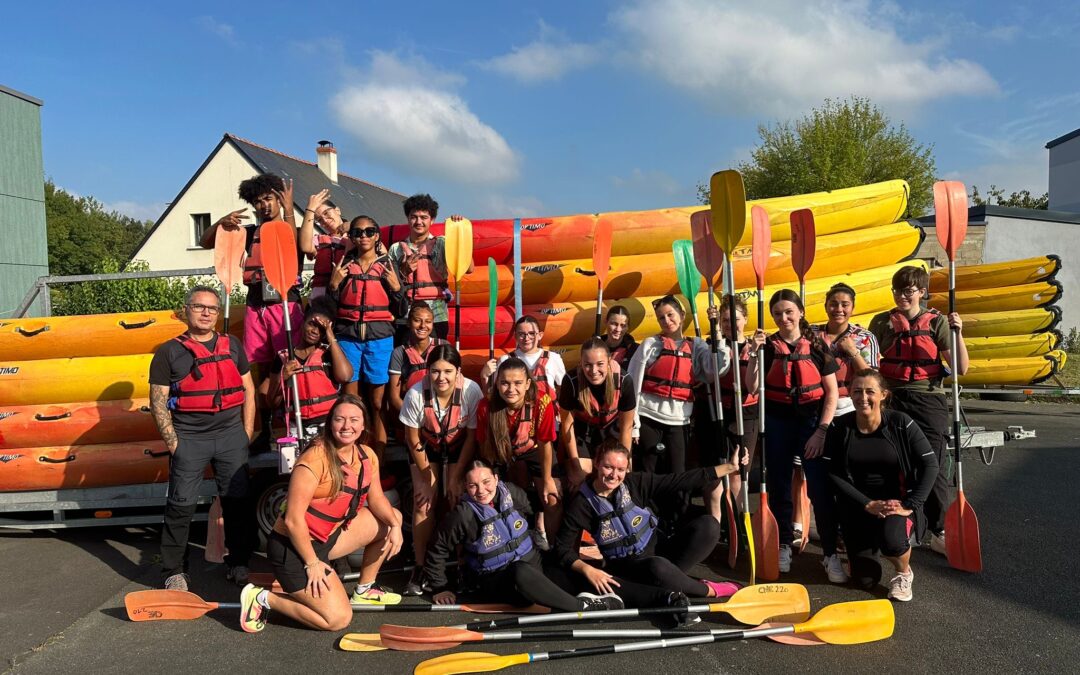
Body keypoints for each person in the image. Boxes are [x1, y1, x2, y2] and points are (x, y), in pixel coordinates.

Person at [239, 395, 404, 633]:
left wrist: (395, 526)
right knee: (337, 619)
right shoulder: (314, 459)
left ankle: (365, 589)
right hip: (294, 550)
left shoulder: (367, 455)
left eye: (354, 420)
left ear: (363, 425)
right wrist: (312, 563)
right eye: (340, 420)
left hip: (327, 539)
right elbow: (293, 519)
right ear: (330, 423)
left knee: (393, 518)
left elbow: (376, 499)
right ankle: (261, 598)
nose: (347, 426)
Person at [148, 286, 257, 591]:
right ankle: (174, 571)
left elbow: (248, 389)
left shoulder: (232, 345)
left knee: (237, 501)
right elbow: (158, 401)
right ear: (187, 311)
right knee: (180, 504)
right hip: (189, 437)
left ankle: (239, 563)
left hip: (230, 435)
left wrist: (247, 431)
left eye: (211, 307)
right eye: (199, 307)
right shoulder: (169, 352)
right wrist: (174, 443)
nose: (207, 312)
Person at [553, 440, 742, 609]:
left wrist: (729, 467)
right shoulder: (581, 503)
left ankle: (674, 581)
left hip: (660, 553)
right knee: (657, 567)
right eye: (608, 467)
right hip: (630, 569)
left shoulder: (635, 483)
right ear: (596, 463)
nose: (614, 475)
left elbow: (679, 481)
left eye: (620, 470)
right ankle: (708, 590)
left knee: (709, 526)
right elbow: (562, 548)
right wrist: (588, 569)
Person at [424, 460, 623, 612]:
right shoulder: (462, 514)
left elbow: (529, 512)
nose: (481, 490)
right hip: (498, 580)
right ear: (466, 487)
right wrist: (439, 587)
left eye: (485, 482)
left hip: (532, 564)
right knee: (520, 571)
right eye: (473, 485)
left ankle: (642, 595)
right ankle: (582, 608)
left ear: (495, 478)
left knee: (565, 568)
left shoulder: (511, 493)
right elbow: (437, 547)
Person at [746, 289, 845, 582]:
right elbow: (752, 388)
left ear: (800, 312)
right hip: (778, 421)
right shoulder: (766, 347)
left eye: (789, 312)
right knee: (778, 486)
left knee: (819, 489)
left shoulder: (816, 346)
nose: (784, 318)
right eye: (777, 314)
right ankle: (783, 544)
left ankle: (829, 553)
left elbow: (831, 394)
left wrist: (822, 431)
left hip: (812, 422)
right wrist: (753, 353)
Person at [200, 173, 304, 450]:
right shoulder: (247, 233)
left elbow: (296, 245)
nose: (264, 206)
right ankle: (265, 428)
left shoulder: (290, 227)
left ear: (279, 200)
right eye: (258, 201)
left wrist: (291, 209)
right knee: (257, 370)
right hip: (256, 305)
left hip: (285, 304)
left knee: (287, 364)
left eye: (269, 199)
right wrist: (222, 222)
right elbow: (205, 241)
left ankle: (294, 427)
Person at [869, 265, 968, 555]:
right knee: (889, 463)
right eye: (898, 290)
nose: (902, 296)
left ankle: (938, 529)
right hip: (891, 400)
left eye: (908, 291)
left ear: (921, 293)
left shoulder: (937, 323)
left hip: (927, 399)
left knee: (932, 466)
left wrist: (958, 333)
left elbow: (961, 368)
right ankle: (893, 524)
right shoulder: (882, 322)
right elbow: (870, 361)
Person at [825, 370, 939, 602]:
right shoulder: (840, 426)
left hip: (897, 503)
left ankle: (902, 572)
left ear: (883, 395)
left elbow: (930, 464)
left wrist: (911, 505)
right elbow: (833, 473)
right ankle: (869, 545)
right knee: (865, 581)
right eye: (857, 391)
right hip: (861, 506)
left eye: (870, 392)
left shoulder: (901, 423)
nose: (863, 397)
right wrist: (867, 504)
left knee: (892, 542)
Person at [398, 344, 483, 596]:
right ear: (428, 371)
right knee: (423, 502)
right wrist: (429, 478)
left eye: (447, 371)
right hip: (426, 446)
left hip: (459, 446)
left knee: (457, 498)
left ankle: (462, 563)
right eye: (435, 371)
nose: (441, 378)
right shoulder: (415, 394)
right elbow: (411, 438)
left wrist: (455, 478)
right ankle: (421, 565)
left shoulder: (471, 391)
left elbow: (470, 438)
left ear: (458, 372)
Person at [626, 295, 726, 476]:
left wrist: (716, 330)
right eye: (661, 318)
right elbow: (633, 383)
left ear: (681, 314)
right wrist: (635, 425)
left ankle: (678, 505)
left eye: (670, 315)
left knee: (677, 474)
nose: (667, 321)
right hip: (648, 418)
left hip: (679, 421)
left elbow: (716, 369)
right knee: (648, 472)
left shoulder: (696, 346)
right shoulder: (650, 344)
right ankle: (646, 505)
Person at [328, 216, 402, 458]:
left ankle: (377, 459)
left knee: (378, 403)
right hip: (349, 338)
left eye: (369, 231)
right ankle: (352, 456)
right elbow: (331, 305)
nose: (364, 236)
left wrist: (398, 289)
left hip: (379, 340)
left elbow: (402, 310)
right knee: (351, 401)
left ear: (377, 235)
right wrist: (334, 285)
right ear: (351, 237)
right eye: (358, 232)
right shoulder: (344, 266)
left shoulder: (388, 267)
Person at [475, 358, 560, 550]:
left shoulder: (542, 403)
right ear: (496, 383)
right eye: (504, 383)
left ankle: (554, 549)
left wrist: (547, 480)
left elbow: (545, 444)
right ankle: (507, 544)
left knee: (553, 497)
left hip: (534, 451)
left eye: (517, 383)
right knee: (498, 498)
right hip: (498, 454)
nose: (511, 389)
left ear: (528, 383)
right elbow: (484, 448)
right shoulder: (485, 406)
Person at [700, 295, 759, 521]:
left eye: (735, 319)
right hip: (715, 411)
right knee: (714, 471)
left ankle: (734, 520)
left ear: (745, 319)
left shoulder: (755, 346)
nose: (730, 324)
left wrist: (755, 351)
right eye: (724, 320)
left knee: (737, 471)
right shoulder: (712, 345)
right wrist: (716, 334)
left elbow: (755, 386)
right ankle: (714, 522)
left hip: (745, 414)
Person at [267, 297, 353, 440]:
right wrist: (283, 377)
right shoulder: (283, 358)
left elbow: (345, 376)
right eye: (312, 324)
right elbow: (271, 402)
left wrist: (331, 337)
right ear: (303, 323)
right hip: (298, 427)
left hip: (329, 423)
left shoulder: (329, 354)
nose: (315, 331)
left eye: (321, 329)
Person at [558, 338, 636, 489]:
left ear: (608, 361)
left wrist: (624, 461)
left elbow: (626, 427)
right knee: (581, 480)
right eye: (587, 365)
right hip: (582, 432)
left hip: (612, 431)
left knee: (614, 478)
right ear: (581, 363)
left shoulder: (624, 380)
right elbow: (567, 425)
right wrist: (575, 465)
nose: (593, 371)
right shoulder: (571, 381)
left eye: (600, 364)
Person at [387, 194, 452, 344]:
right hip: (405, 314)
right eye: (414, 217)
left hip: (436, 315)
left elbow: (468, 268)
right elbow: (388, 285)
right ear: (408, 218)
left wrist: (459, 228)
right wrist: (403, 271)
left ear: (432, 220)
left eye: (424, 217)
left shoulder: (442, 244)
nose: (419, 222)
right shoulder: (396, 249)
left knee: (434, 358)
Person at [812, 283, 880, 417]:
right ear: (825, 306)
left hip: (850, 404)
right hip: (815, 403)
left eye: (845, 305)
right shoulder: (810, 334)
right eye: (833, 304)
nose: (838, 309)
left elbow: (873, 379)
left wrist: (853, 352)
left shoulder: (865, 337)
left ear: (853, 308)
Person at [480, 315, 567, 399]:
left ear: (540, 335)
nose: (526, 338)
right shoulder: (505, 360)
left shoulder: (553, 358)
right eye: (521, 334)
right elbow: (492, 395)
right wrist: (484, 376)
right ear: (515, 336)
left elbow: (564, 390)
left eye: (531, 333)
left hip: (546, 412)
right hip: (515, 413)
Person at [387, 302, 445, 420]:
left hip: (441, 414)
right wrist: (418, 419)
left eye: (428, 322)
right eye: (417, 320)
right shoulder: (399, 353)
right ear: (409, 323)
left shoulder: (444, 346)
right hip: (410, 414)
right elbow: (394, 398)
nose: (423, 326)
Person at [299, 189, 351, 299]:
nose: (325, 221)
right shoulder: (320, 240)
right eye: (320, 220)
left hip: (349, 293)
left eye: (326, 213)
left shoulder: (360, 234)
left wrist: (354, 225)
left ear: (338, 210)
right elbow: (305, 246)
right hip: (323, 297)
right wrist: (310, 210)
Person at [602, 305, 639, 371]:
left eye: (623, 326)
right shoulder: (595, 346)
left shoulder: (634, 350)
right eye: (614, 324)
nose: (618, 329)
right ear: (606, 322)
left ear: (627, 327)